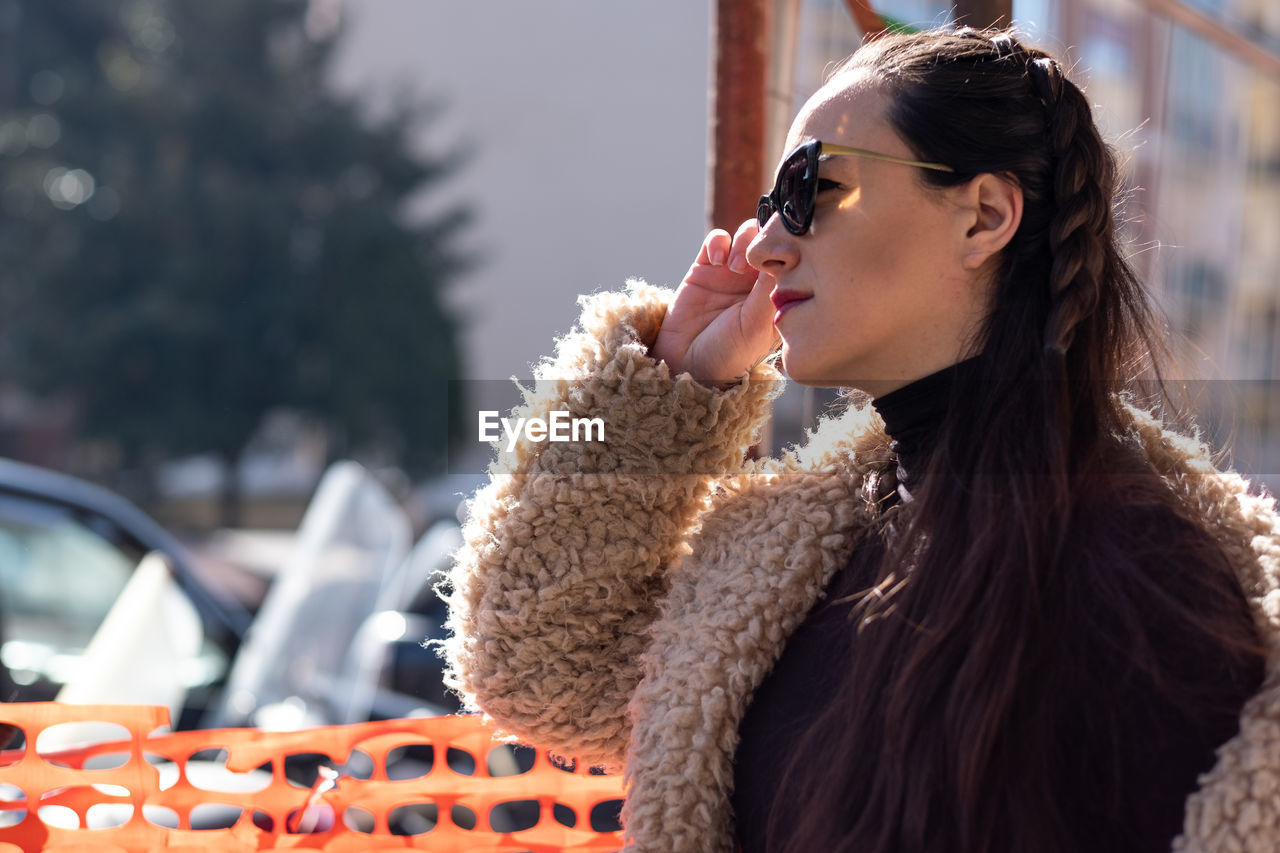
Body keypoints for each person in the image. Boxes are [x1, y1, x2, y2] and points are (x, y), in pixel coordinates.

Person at [440, 25, 1280, 853]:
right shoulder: (791, 554)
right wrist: (671, 381)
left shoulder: (1146, 577)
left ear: (984, 216)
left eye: (810, 187)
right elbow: (538, 657)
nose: (765, 243)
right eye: (770, 204)